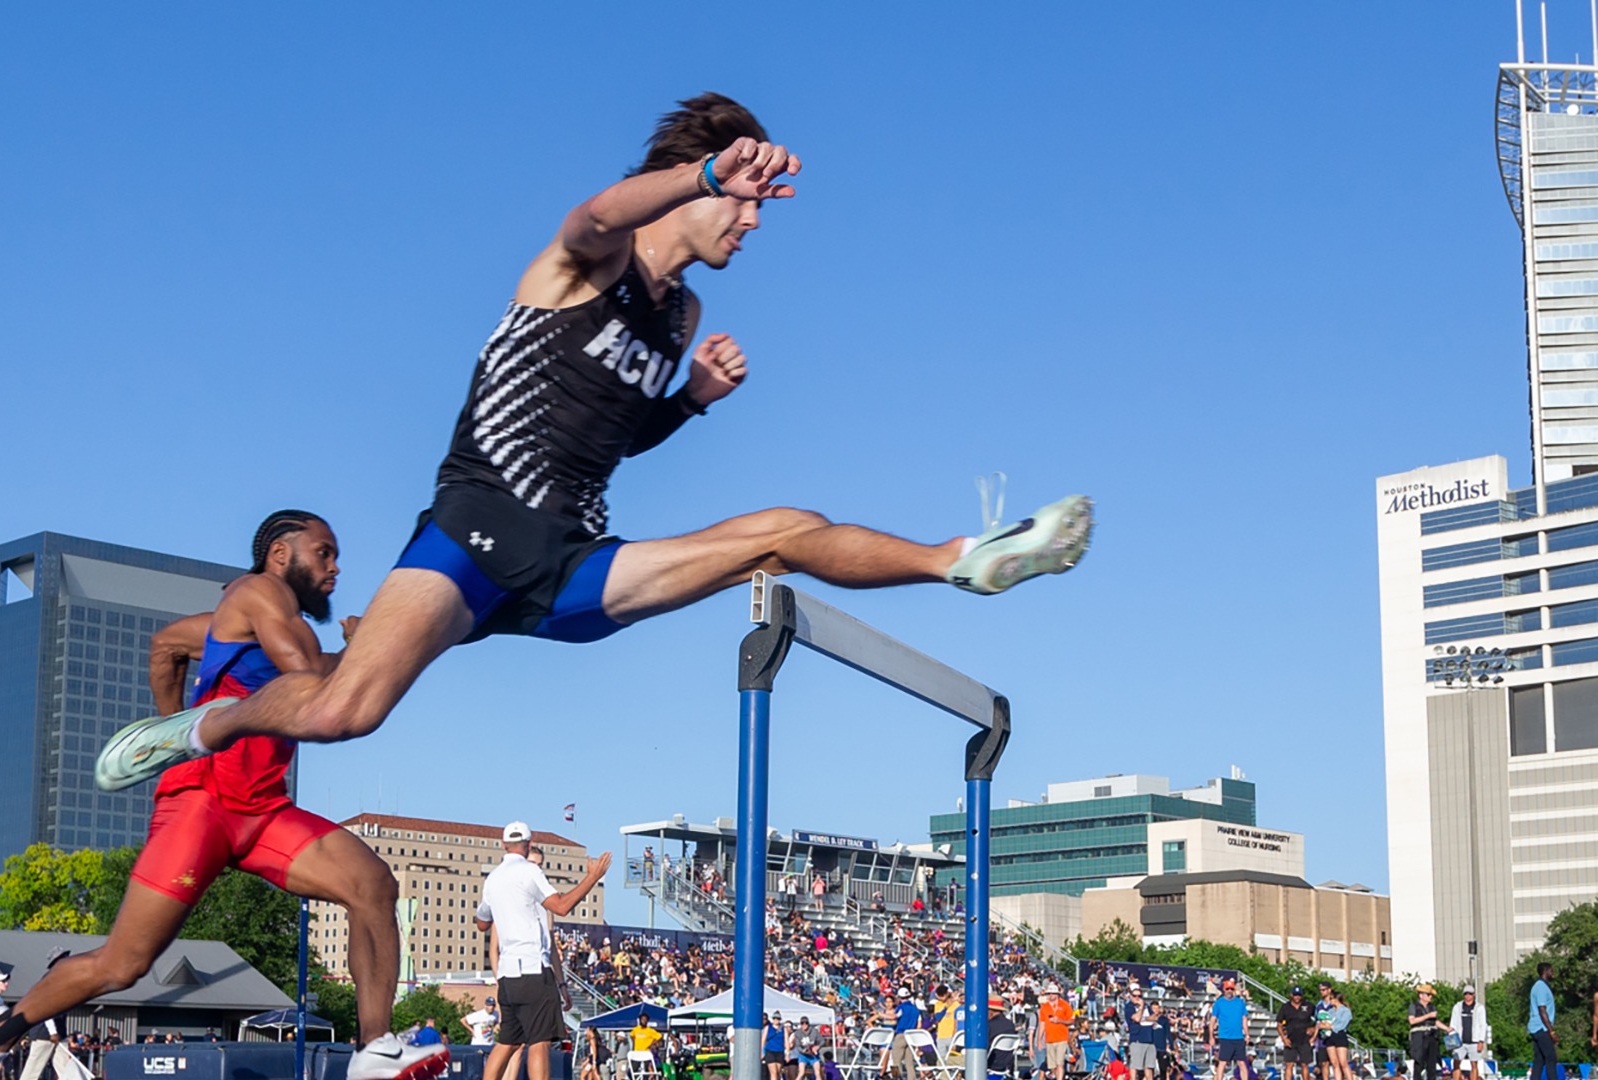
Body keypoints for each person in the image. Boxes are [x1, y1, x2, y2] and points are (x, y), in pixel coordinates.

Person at [96, 94, 1095, 796]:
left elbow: (607, 440)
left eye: (753, 202)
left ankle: (963, 561)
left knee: (779, 532)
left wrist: (690, 401)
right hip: (472, 534)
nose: (751, 221)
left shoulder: (680, 314)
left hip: (575, 560)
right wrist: (702, 169)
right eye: (738, 201)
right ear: (692, 184)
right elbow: (595, 213)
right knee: (345, 712)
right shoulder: (593, 259)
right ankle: (202, 727)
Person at [0, 513, 442, 1080]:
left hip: (263, 811)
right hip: (203, 806)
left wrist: (174, 728)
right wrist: (363, 646)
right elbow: (311, 677)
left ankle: (374, 1048)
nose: (336, 568)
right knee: (124, 964)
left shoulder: (234, 623)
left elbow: (166, 646)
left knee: (372, 886)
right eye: (325, 553)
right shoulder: (258, 591)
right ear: (281, 554)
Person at [474, 821, 611, 1080]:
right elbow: (561, 906)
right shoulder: (530, 872)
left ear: (504, 844)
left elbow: (482, 923)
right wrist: (592, 877)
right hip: (533, 970)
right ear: (529, 843)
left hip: (507, 975)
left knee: (508, 1041)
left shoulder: (492, 879)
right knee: (540, 1041)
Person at [19, 950, 83, 1080]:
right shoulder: (49, 980)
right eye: (64, 957)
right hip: (44, 1032)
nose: (68, 959)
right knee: (33, 1071)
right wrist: (52, 1032)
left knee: (66, 1067)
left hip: (59, 1032)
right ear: (56, 962)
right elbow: (45, 1008)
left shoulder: (63, 979)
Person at [1208, 978, 1249, 1080]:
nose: (1229, 991)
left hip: (1238, 1037)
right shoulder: (1219, 1003)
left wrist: (1247, 1034)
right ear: (1224, 989)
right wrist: (1211, 1036)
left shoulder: (1240, 1002)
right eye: (1227, 989)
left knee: (1241, 1062)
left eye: (1231, 988)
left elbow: (1244, 1019)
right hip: (1225, 1037)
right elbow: (1212, 1021)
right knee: (1222, 1062)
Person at [1407, 984, 1447, 1080]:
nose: (1430, 997)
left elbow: (1435, 1021)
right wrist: (1427, 1016)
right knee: (1419, 1062)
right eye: (1428, 995)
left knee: (1432, 1064)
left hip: (1432, 1036)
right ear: (1421, 995)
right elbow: (1412, 1021)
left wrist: (1447, 1028)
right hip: (1419, 1037)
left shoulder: (1432, 1007)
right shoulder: (1413, 1006)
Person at [1449, 985, 1490, 1080]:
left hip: (1474, 1041)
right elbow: (1453, 1024)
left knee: (1474, 1064)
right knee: (1456, 1063)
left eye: (1470, 994)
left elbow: (1482, 1025)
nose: (1468, 996)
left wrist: (1481, 1041)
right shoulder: (1457, 1007)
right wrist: (1452, 1039)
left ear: (1474, 995)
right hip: (1459, 1041)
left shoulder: (1479, 1008)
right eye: (1466, 994)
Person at [1527, 962, 1558, 1080]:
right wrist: (1551, 1031)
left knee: (1539, 1059)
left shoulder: (1543, 986)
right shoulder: (1540, 987)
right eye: (1551, 971)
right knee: (1551, 1057)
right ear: (1545, 971)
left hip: (1538, 1027)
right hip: (1541, 1027)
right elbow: (1542, 1010)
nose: (1552, 973)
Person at [1276, 986, 1313, 1080]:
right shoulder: (1285, 1007)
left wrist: (1314, 1029)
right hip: (1291, 1040)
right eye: (1295, 995)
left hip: (1304, 1039)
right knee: (1289, 1064)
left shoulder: (1308, 1006)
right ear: (1291, 995)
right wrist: (1283, 1038)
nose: (1297, 997)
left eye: (1299, 995)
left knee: (1304, 1064)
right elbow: (1279, 1024)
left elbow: (1319, 1018)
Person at [1039, 985, 1075, 1080]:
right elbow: (1042, 1024)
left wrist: (1060, 1021)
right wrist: (1039, 1039)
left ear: (1057, 994)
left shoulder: (1065, 1005)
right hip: (1049, 1038)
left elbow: (1072, 1020)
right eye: (1049, 993)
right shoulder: (1044, 1007)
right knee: (1051, 1065)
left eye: (1053, 993)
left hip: (1061, 1037)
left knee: (1060, 1063)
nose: (1051, 995)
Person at [1126, 987, 1159, 1080]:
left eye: (1139, 996)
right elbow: (1136, 1018)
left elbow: (1155, 1017)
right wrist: (1140, 1008)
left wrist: (1144, 1018)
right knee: (1135, 1066)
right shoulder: (1129, 1007)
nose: (1137, 998)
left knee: (1149, 1066)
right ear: (1131, 996)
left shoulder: (1147, 1006)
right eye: (1134, 996)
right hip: (1137, 1039)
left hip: (1150, 1039)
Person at [987, 997, 1019, 1079]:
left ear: (990, 1011)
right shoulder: (1010, 1025)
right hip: (1004, 1064)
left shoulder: (989, 1026)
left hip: (989, 1063)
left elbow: (984, 1047)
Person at [764, 1014, 787, 1080]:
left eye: (778, 1018)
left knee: (778, 1072)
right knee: (773, 1072)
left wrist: (787, 1053)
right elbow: (763, 1039)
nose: (776, 1020)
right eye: (774, 1018)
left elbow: (786, 1041)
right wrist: (761, 1051)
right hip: (770, 1051)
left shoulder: (783, 1029)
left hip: (780, 1051)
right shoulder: (768, 1028)